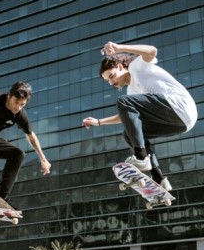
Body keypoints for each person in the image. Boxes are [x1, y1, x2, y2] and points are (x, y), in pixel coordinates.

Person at [82, 41, 197, 190]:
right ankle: (159, 179)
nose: (111, 82)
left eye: (112, 76)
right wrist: (99, 122)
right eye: (108, 81)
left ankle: (141, 157)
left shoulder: (136, 67)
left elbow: (152, 50)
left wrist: (119, 48)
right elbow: (126, 118)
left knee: (123, 102)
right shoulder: (132, 93)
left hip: (180, 106)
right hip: (181, 123)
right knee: (129, 134)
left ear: (119, 66)